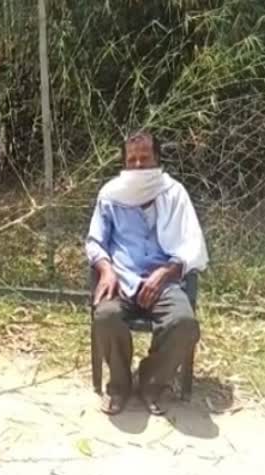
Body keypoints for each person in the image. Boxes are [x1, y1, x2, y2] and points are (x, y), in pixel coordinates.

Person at [85, 131, 208, 415]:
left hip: (162, 281)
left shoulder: (174, 193)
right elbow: (95, 242)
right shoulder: (110, 194)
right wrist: (105, 270)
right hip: (121, 278)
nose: (139, 165)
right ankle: (120, 385)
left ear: (157, 159)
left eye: (145, 158)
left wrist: (165, 273)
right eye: (132, 159)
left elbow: (192, 246)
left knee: (185, 325)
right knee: (105, 316)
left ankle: (150, 382)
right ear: (124, 164)